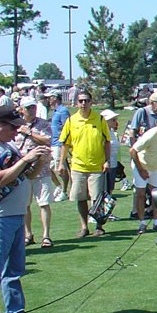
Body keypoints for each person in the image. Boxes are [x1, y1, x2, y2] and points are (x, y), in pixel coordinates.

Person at [0, 105, 50, 313]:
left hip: (15, 215)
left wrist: (40, 161)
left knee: (13, 271)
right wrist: (26, 159)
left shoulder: (8, 145)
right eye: (12, 127)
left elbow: (28, 176)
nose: (16, 132)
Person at [57, 90, 111, 238]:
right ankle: (84, 226)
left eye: (86, 100)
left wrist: (107, 160)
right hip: (78, 166)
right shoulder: (71, 121)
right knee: (80, 198)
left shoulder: (99, 120)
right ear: (76, 103)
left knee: (97, 199)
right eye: (80, 101)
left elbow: (107, 141)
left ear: (91, 102)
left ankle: (99, 227)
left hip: (97, 166)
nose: (83, 104)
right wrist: (61, 163)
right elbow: (65, 144)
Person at [12, 98, 54, 249]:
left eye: (34, 107)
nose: (32, 110)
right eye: (28, 108)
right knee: (25, 205)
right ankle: (28, 234)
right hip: (22, 171)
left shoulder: (43, 124)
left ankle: (46, 235)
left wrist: (29, 133)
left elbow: (47, 140)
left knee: (44, 203)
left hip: (41, 170)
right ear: (22, 109)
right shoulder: (15, 125)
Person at [48, 93, 70, 201]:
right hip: (52, 143)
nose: (48, 99)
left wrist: (64, 145)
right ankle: (59, 186)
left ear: (55, 98)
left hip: (59, 144)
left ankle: (64, 192)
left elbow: (67, 127)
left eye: (50, 97)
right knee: (48, 167)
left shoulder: (63, 111)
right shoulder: (55, 111)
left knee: (60, 169)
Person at [100, 109, 121, 201]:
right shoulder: (101, 132)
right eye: (113, 120)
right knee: (103, 191)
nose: (115, 121)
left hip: (113, 164)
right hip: (104, 166)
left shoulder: (112, 132)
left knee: (110, 190)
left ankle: (108, 213)